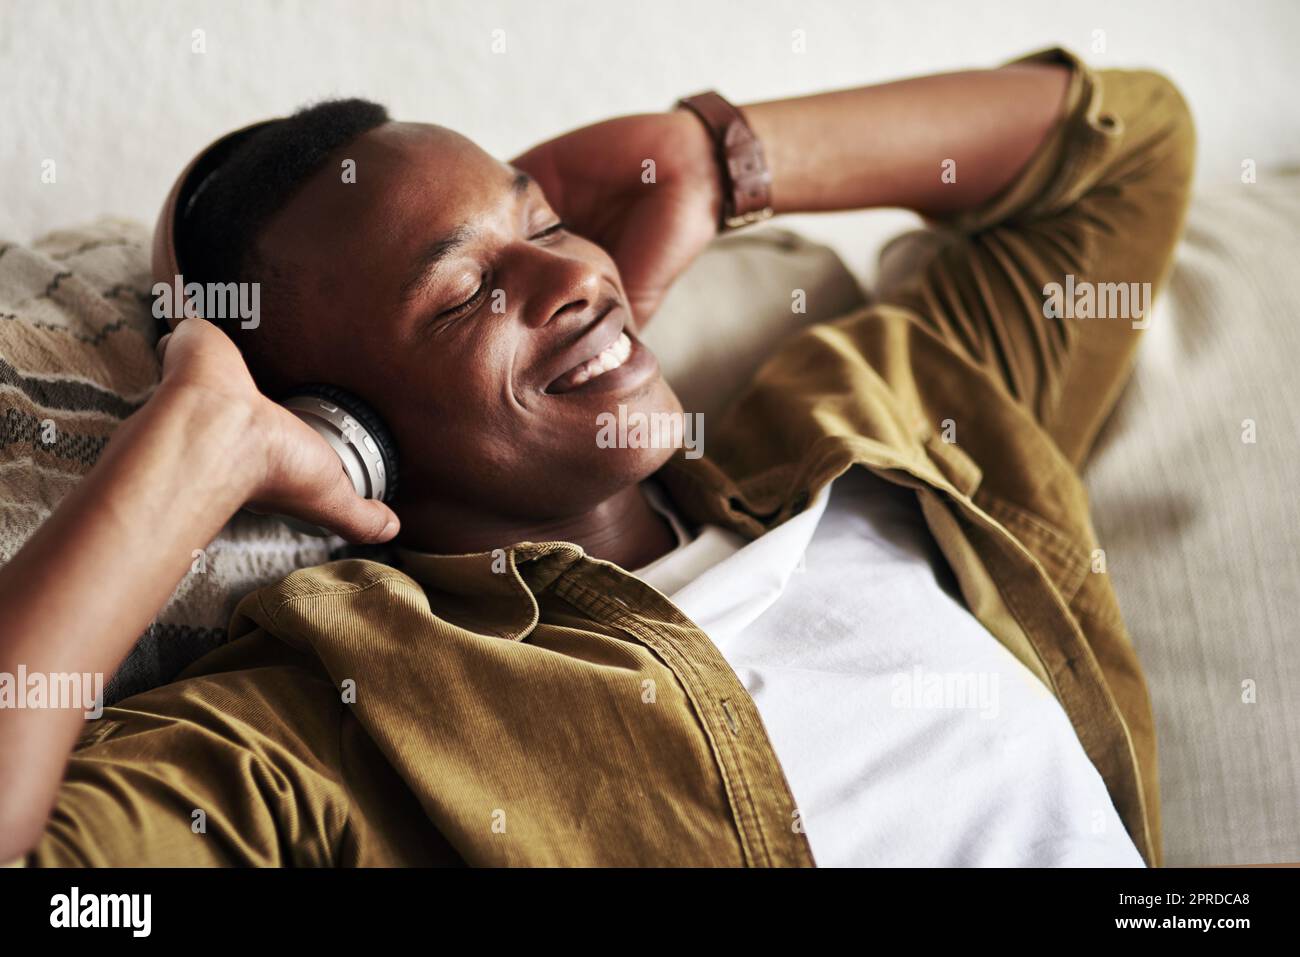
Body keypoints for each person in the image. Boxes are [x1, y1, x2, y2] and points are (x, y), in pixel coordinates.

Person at [0, 45, 1195, 867]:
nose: (576, 278)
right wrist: (182, 457)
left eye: (544, 223)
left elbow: (1125, 147)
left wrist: (717, 154)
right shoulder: (332, 733)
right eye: (467, 294)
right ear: (331, 432)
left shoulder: (877, 414)